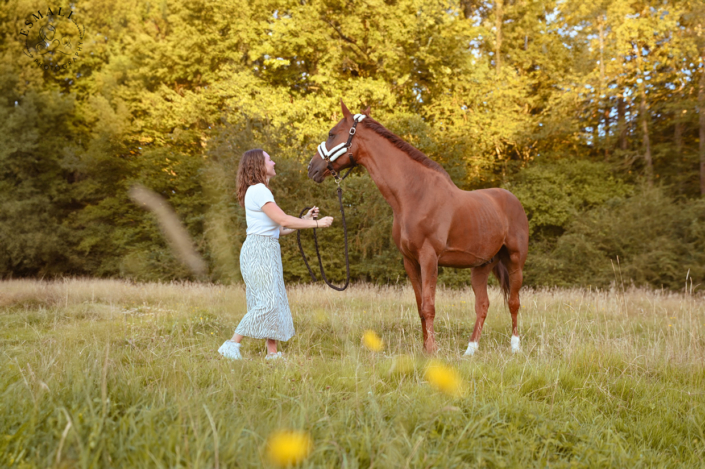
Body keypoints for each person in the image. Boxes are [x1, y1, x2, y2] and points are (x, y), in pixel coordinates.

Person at [218, 149, 334, 360]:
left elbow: (280, 230)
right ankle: (231, 345)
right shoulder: (260, 190)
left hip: (267, 248)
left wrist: (306, 219)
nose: (273, 162)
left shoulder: (260, 191)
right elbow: (284, 220)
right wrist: (317, 223)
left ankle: (272, 353)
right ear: (258, 166)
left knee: (274, 300)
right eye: (269, 159)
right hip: (259, 251)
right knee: (267, 303)